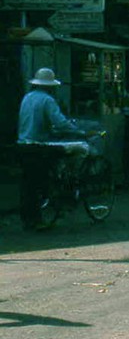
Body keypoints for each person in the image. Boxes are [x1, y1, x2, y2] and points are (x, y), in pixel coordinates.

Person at [17, 68, 80, 229]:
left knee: (28, 184)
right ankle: (42, 213)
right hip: (39, 146)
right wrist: (75, 129)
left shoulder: (27, 98)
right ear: (49, 86)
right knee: (40, 180)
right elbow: (59, 122)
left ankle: (28, 218)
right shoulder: (47, 100)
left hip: (23, 144)